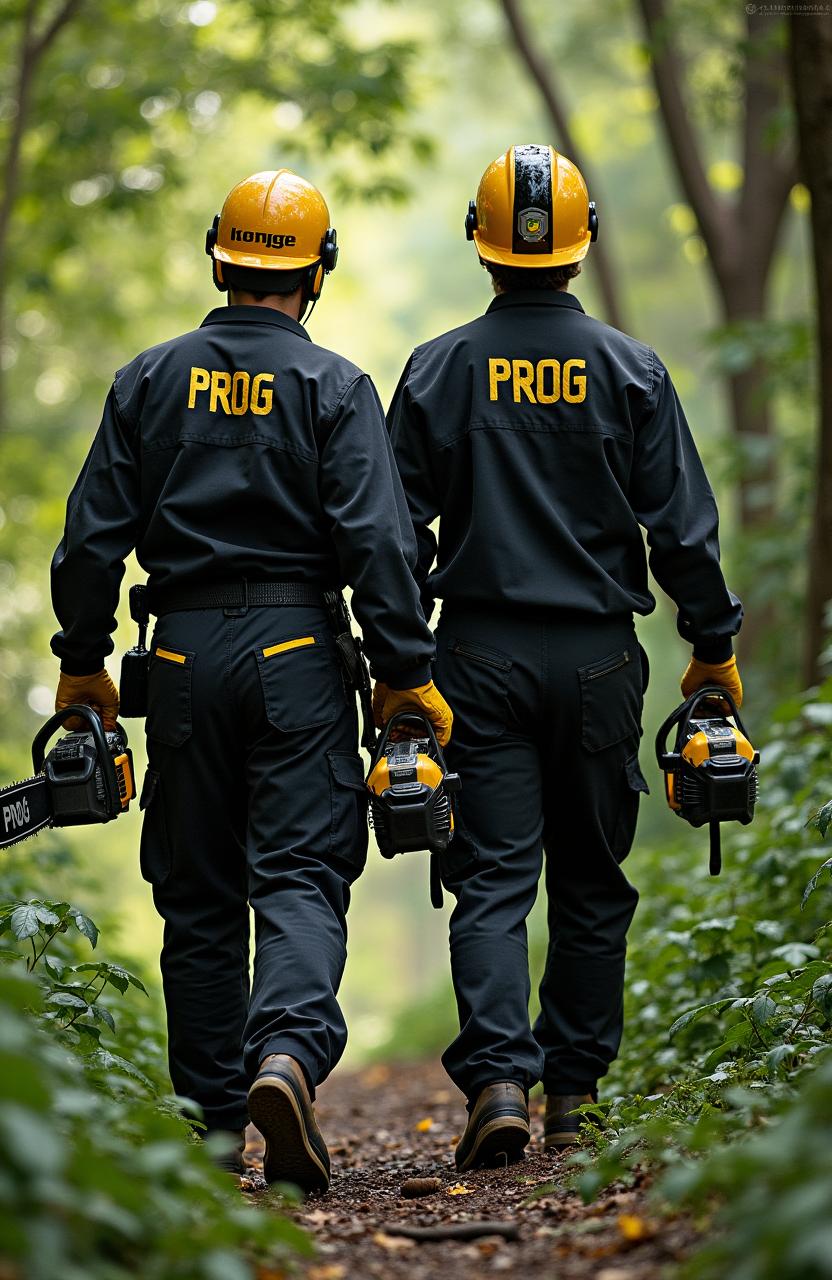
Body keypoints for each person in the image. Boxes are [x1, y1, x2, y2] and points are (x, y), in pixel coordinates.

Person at [50, 169, 452, 1192]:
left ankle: (216, 1128)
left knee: (196, 896)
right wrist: (405, 673)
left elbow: (92, 541)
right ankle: (284, 1055)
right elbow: (379, 543)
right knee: (301, 876)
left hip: (178, 656)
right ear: (315, 270)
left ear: (217, 256)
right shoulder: (334, 387)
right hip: (297, 657)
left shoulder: (148, 379)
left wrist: (83, 662)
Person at [385, 144, 743, 1171]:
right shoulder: (631, 369)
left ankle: (498, 1078)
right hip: (596, 659)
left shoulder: (439, 367)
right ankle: (575, 1093)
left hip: (477, 654)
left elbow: (394, 532)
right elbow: (681, 529)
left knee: (491, 879)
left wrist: (402, 660)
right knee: (591, 877)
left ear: (478, 240)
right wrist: (711, 643)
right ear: (583, 247)